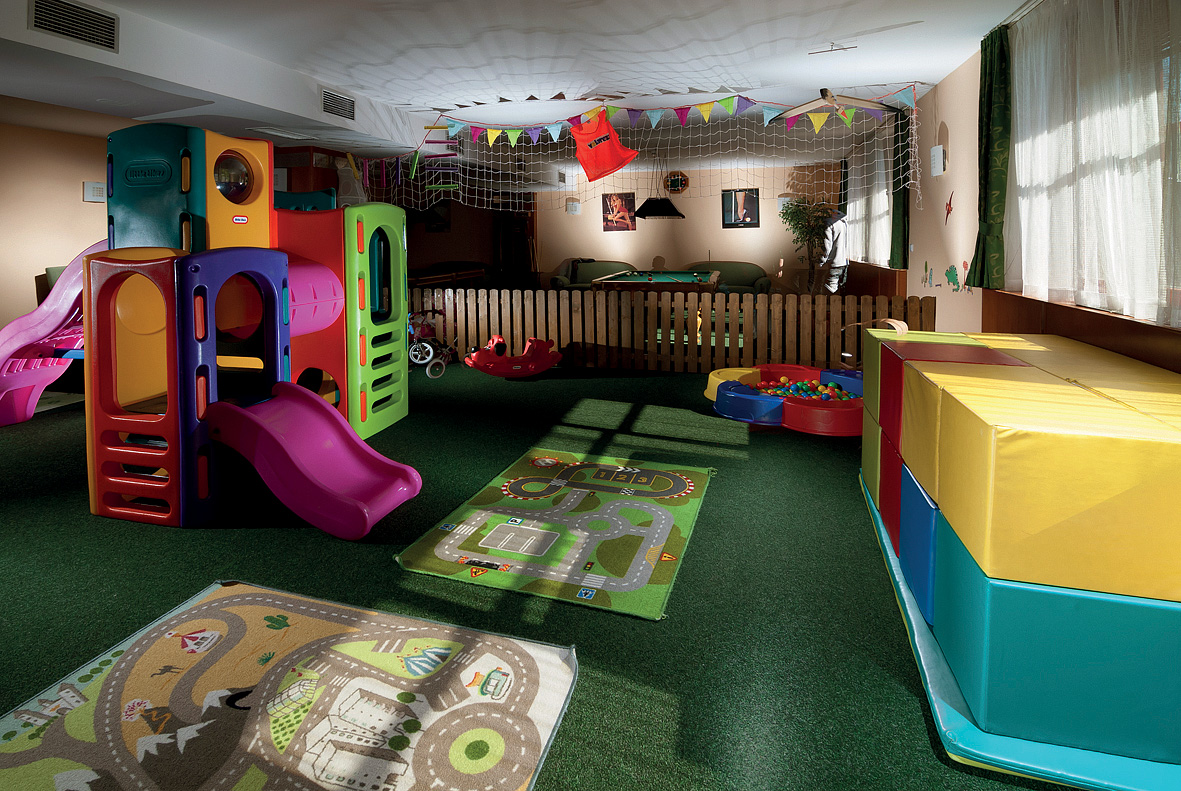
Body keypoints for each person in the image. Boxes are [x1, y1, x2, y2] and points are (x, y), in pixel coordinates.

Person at [819, 208, 849, 294]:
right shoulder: (845, 222)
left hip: (835, 262)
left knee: (829, 290)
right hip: (845, 262)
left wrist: (822, 260)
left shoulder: (829, 223)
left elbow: (827, 245)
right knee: (841, 290)